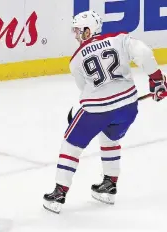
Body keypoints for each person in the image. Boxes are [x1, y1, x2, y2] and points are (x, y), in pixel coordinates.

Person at [43, 11, 167, 214]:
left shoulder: (75, 60)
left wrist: (79, 114)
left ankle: (59, 192)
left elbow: (84, 89)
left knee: (70, 144)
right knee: (110, 138)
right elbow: (144, 52)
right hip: (128, 106)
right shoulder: (119, 39)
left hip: (97, 110)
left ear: (88, 30)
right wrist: (157, 80)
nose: (76, 35)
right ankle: (109, 185)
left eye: (78, 31)